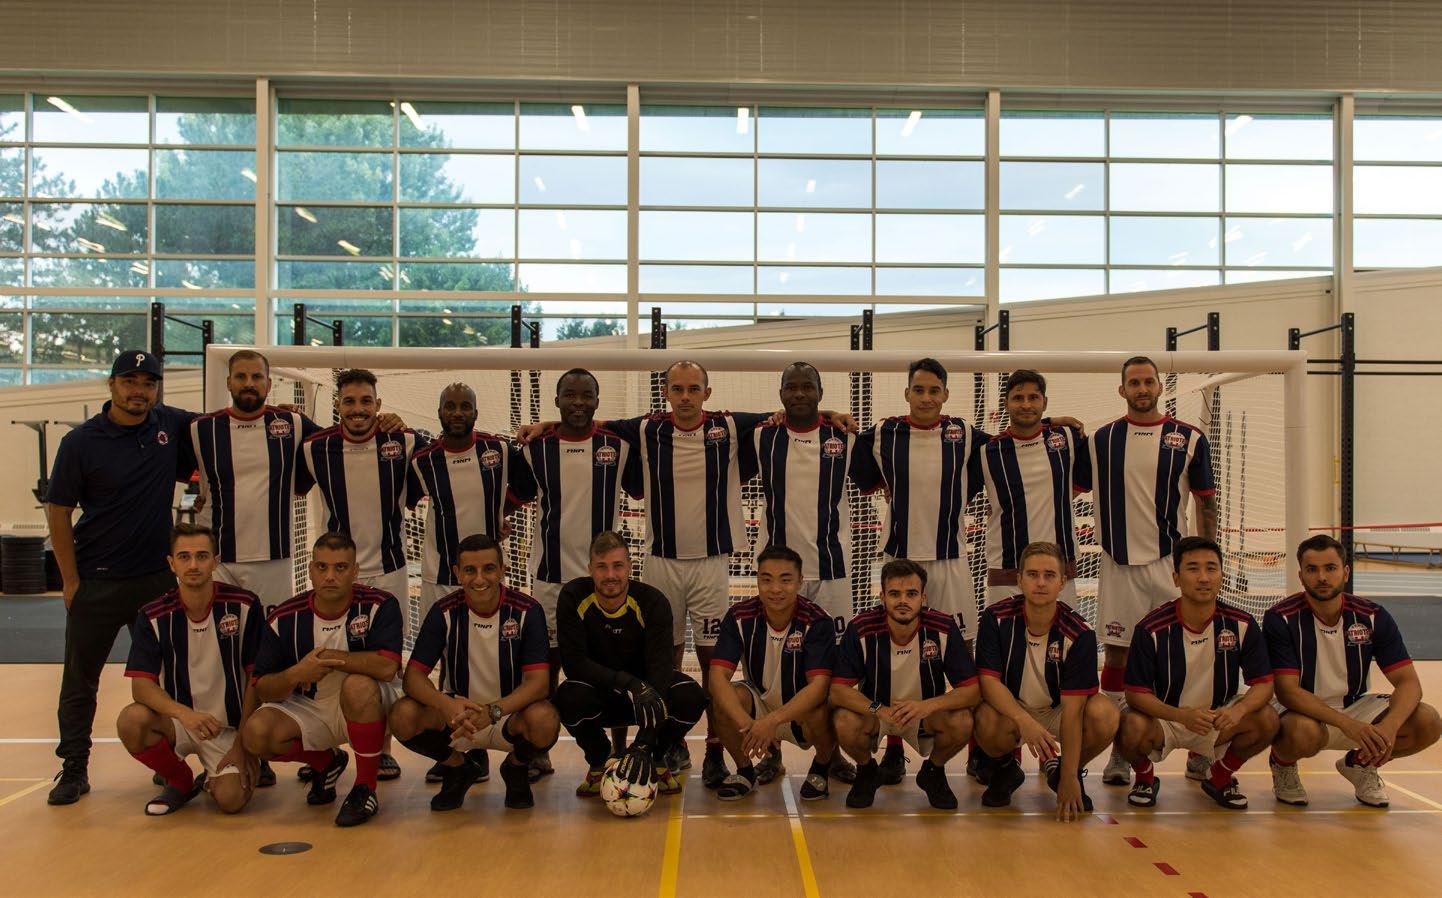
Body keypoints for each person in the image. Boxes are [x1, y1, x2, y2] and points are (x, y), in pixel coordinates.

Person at [45, 349, 198, 805]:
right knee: (80, 682)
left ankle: (168, 760)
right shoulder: (81, 442)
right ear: (111, 385)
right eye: (130, 381)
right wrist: (70, 581)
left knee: (168, 680)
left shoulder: (169, 426)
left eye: (148, 383)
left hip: (154, 582)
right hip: (97, 580)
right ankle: (74, 769)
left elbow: (226, 426)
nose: (139, 391)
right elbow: (58, 511)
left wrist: (280, 411)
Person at [187, 350, 406, 609]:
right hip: (216, 557)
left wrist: (386, 422)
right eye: (241, 376)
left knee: (268, 630)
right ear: (228, 382)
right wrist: (198, 497)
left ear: (269, 384)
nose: (249, 383)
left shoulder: (292, 423)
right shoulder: (199, 428)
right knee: (217, 630)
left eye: (256, 377)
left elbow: (345, 441)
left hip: (274, 557)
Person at [1090, 356, 1219, 787]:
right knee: (1119, 655)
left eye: (1148, 381)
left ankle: (1200, 749)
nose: (1142, 388)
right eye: (1134, 382)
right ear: (1122, 390)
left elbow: (1205, 502)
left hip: (1169, 565)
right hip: (1119, 563)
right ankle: (1121, 750)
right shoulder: (1102, 439)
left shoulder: (1190, 438)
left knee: (1190, 654)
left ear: (1160, 386)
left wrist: (1205, 560)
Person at [508, 368, 639, 779]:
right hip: (551, 576)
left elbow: (640, 483)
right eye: (570, 395)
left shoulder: (619, 445)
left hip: (604, 579)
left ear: (598, 402)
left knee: (611, 662)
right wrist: (499, 519)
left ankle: (619, 747)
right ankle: (539, 749)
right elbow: (512, 496)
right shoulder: (534, 449)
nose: (578, 402)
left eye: (586, 395)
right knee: (547, 665)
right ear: (557, 400)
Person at [295, 368, 424, 782]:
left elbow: (446, 470)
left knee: (385, 664)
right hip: (335, 575)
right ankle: (324, 743)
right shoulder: (314, 448)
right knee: (328, 658)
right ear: (337, 405)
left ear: (378, 405)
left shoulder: (404, 442)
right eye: (349, 401)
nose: (358, 409)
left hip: (389, 571)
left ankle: (382, 750)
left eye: (366, 401)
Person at [240, 531, 404, 827]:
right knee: (256, 733)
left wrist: (329, 658)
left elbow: (387, 668)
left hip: (372, 704)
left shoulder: (380, 604)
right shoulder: (283, 618)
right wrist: (297, 673)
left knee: (357, 685)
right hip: (310, 707)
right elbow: (263, 688)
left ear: (355, 571)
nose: (330, 576)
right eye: (322, 567)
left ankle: (365, 788)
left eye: (340, 567)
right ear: (310, 570)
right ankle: (327, 762)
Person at [1266, 535, 1442, 808]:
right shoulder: (1281, 618)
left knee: (1428, 721)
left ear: (1346, 572)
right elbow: (1288, 692)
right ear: (1301, 576)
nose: (1322, 577)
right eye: (1312, 569)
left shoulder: (1372, 615)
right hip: (1300, 712)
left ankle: (1360, 764)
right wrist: (1347, 724)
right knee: (1303, 732)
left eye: (1330, 568)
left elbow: (1409, 683)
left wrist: (1389, 727)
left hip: (1354, 705)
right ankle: (1283, 765)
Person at [390, 534, 559, 811]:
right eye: (470, 570)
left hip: (508, 715)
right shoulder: (443, 612)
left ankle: (515, 768)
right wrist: (446, 704)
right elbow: (413, 678)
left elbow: (539, 684)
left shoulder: (527, 611)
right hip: (459, 718)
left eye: (488, 569)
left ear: (502, 571)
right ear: (457, 573)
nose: (479, 579)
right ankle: (458, 768)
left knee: (546, 719)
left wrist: (493, 711)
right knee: (402, 715)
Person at [1114, 537, 1277, 810]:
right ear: (1176, 578)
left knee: (1268, 719)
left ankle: (1220, 776)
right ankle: (1144, 777)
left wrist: (1237, 710)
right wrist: (1181, 716)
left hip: (1217, 719)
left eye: (1211, 568)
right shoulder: (1151, 628)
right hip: (1164, 718)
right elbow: (1135, 694)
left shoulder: (1242, 624)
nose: (1203, 578)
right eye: (1193, 569)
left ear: (1221, 575)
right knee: (1127, 724)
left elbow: (1264, 684)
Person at [118, 524, 266, 816]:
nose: (194, 565)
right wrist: (185, 714)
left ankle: (217, 777)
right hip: (179, 722)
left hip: (228, 728)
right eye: (184, 557)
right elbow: (141, 687)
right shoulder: (152, 614)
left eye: (202, 556)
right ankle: (180, 781)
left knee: (231, 801)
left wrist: (243, 742)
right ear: (171, 563)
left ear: (216, 561)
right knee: (131, 721)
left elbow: (256, 678)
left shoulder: (245, 605)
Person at [552, 531, 707, 798]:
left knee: (691, 695)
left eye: (617, 566)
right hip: (601, 692)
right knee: (567, 696)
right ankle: (601, 761)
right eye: (601, 567)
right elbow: (574, 664)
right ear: (590, 569)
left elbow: (661, 668)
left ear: (630, 567)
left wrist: (644, 744)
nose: (610, 575)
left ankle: (656, 757)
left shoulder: (652, 601)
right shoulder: (573, 596)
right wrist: (628, 683)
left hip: (646, 697)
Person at [972, 542, 1117, 819]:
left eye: (1049, 575)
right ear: (1019, 579)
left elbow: (1073, 712)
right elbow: (988, 683)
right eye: (1032, 574)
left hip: (1058, 711)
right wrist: (1023, 721)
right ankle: (1005, 769)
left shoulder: (1080, 633)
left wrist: (1070, 777)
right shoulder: (995, 617)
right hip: (1012, 708)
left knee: (1105, 714)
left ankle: (1066, 771)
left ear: (1062, 582)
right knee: (984, 717)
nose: (1040, 583)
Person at [830, 559, 978, 810]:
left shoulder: (943, 628)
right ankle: (867, 771)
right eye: (894, 594)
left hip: (924, 716)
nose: (902, 601)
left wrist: (928, 706)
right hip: (878, 715)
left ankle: (933, 771)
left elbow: (972, 691)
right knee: (843, 720)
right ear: (882, 597)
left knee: (962, 721)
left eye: (911, 594)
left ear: (923, 597)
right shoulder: (861, 628)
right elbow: (837, 691)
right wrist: (878, 709)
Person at [754, 362, 881, 635]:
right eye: (791, 387)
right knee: (778, 647)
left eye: (807, 387)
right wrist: (829, 412)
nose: (799, 393)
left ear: (820, 392)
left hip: (832, 568)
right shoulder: (761, 435)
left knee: (836, 650)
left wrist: (830, 415)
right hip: (778, 570)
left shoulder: (845, 438)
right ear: (780, 394)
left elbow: (873, 481)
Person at [707, 545, 839, 800]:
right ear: (757, 580)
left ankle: (821, 768)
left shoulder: (818, 621)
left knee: (823, 709)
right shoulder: (738, 616)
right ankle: (745, 771)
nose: (775, 588)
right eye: (766, 579)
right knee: (724, 701)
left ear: (800, 582)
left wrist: (771, 722)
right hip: (760, 702)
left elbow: (819, 687)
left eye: (785, 580)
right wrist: (747, 724)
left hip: (800, 708)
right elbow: (717, 676)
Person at [979, 370, 1089, 607]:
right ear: (1006, 403)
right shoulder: (987, 450)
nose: (1026, 404)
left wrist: (1049, 422)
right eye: (1018, 398)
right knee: (1007, 632)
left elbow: (1083, 483)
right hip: (1006, 568)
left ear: (1044, 402)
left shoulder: (1069, 438)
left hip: (1059, 566)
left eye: (1033, 397)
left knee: (1062, 631)